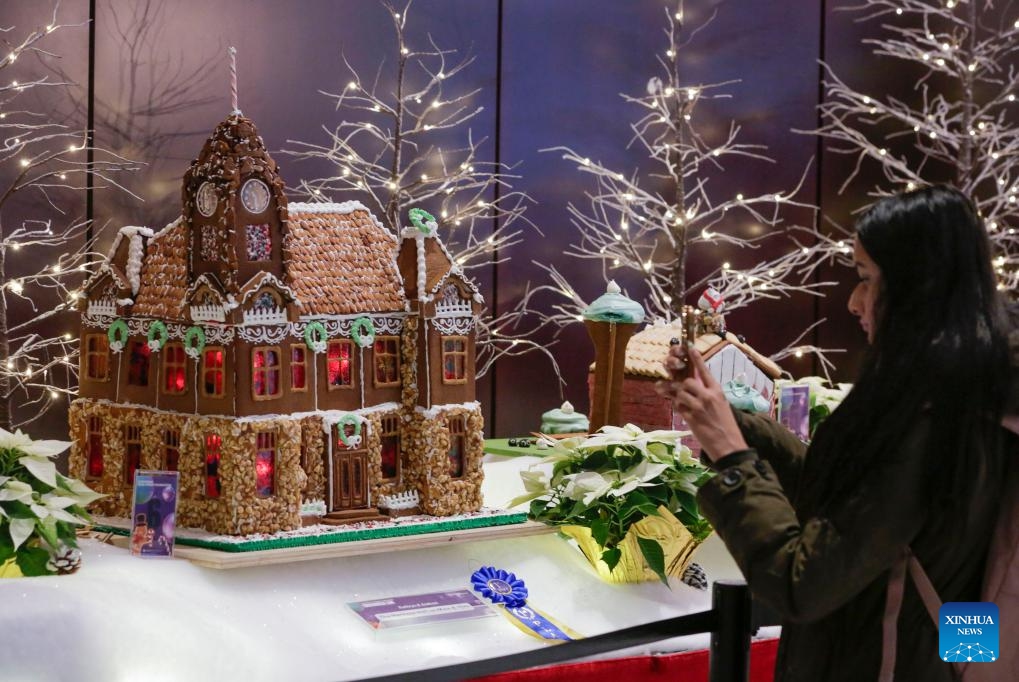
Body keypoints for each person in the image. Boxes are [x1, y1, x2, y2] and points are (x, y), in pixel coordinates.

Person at [657, 185, 1013, 681]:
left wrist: (733, 459)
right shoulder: (968, 392)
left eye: (866, 278)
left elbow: (799, 585)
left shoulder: (931, 422)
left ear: (916, 287)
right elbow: (851, 508)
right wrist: (731, 423)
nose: (853, 301)